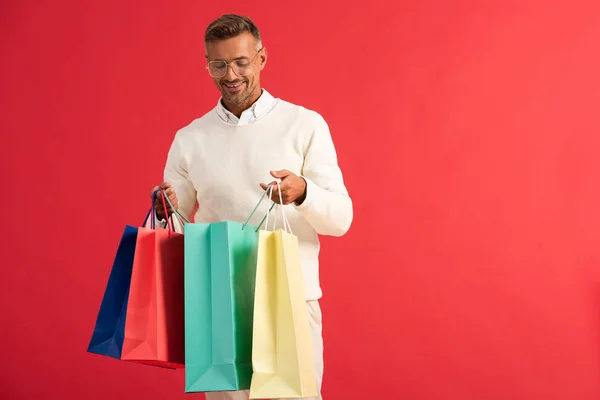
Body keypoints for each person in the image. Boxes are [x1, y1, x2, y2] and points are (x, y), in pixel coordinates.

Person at [151, 14, 352, 400]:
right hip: (217, 299)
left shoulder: (305, 125)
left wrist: (303, 191)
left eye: (241, 62)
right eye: (219, 64)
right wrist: (165, 211)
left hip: (289, 297)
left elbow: (341, 219)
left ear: (261, 59)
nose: (231, 75)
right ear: (207, 64)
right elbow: (175, 233)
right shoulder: (190, 138)